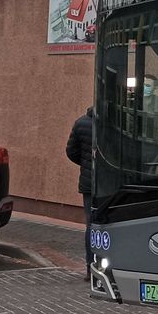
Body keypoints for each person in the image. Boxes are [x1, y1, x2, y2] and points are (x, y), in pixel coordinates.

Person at [65, 106, 94, 281]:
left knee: (91, 224)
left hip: (88, 183)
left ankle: (91, 268)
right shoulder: (116, 122)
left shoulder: (81, 122)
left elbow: (71, 151)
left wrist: (86, 164)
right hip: (111, 184)